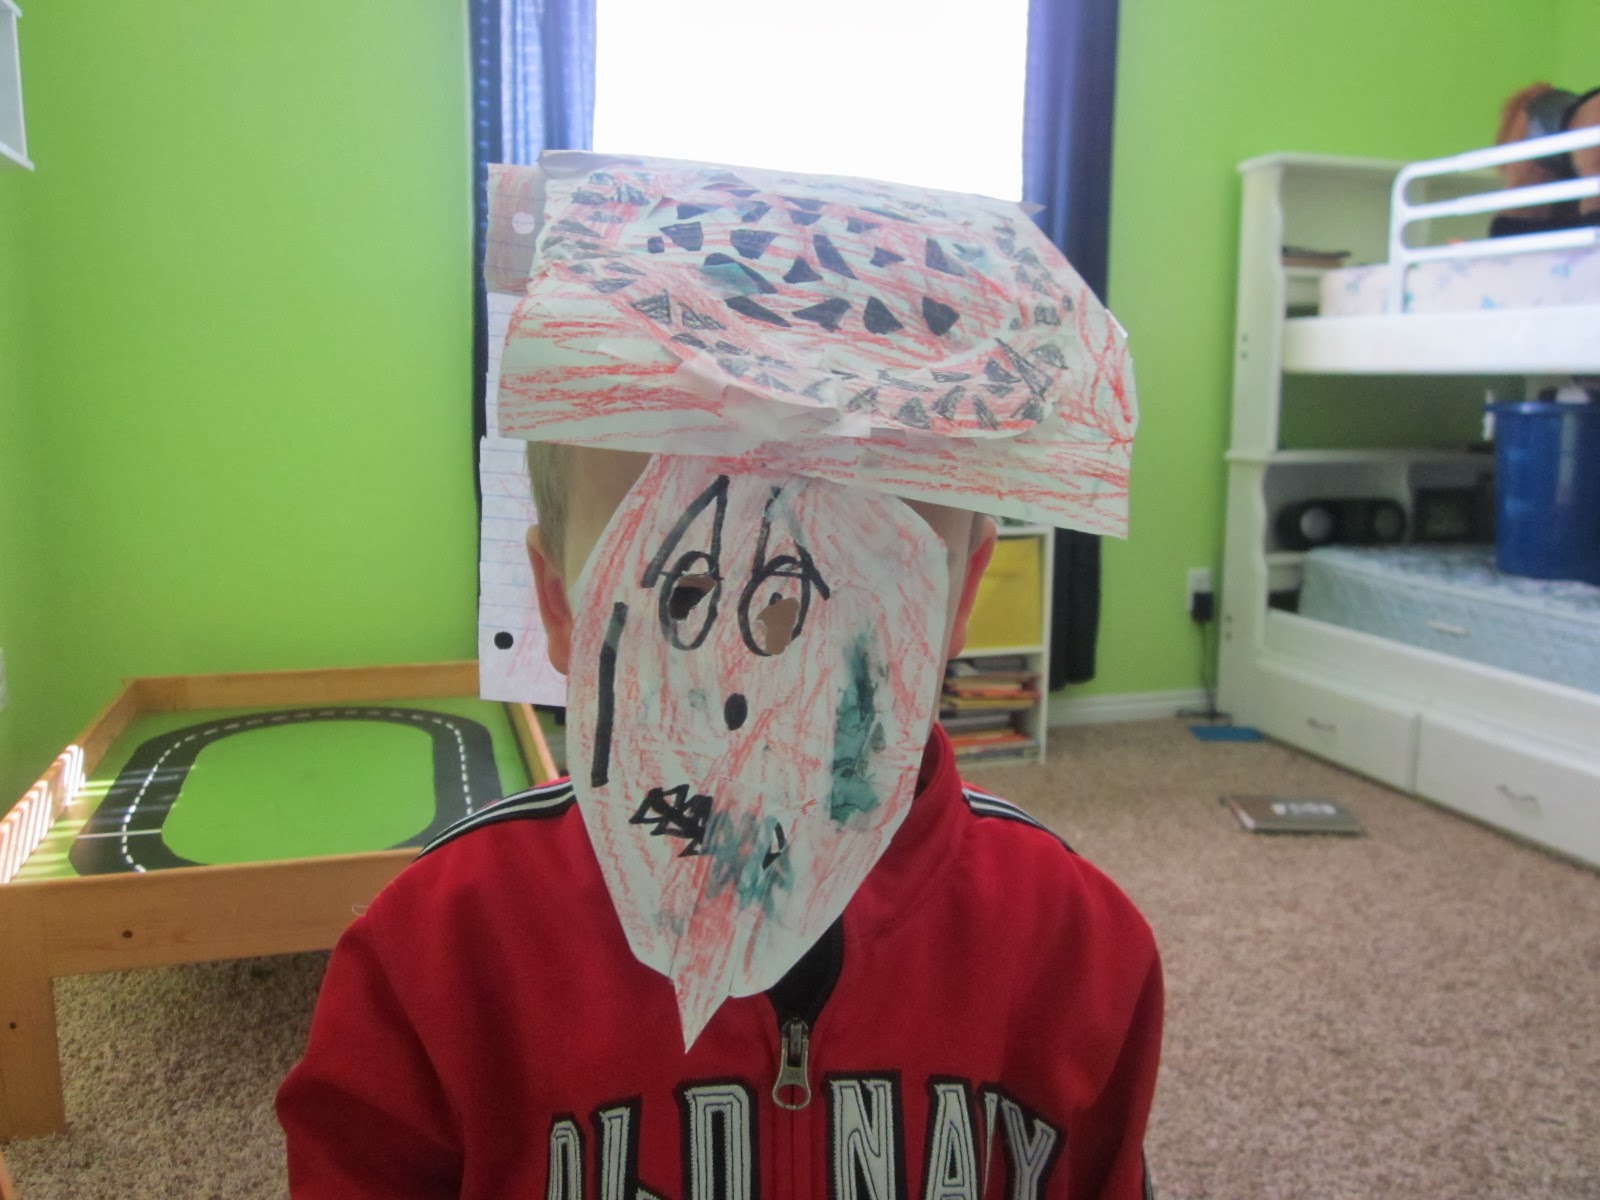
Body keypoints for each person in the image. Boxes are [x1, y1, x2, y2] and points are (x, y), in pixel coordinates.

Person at [277, 154, 1162, 1199]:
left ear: (956, 602)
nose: (765, 667)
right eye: (687, 590)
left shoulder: (1075, 953)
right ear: (562, 607)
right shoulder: (436, 960)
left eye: (856, 578)